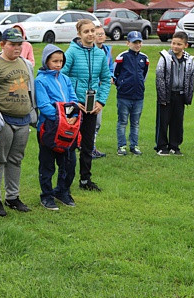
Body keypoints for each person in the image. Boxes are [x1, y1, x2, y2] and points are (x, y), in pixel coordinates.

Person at [0, 28, 36, 215]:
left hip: (22, 120)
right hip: (2, 120)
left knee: (16, 160)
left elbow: (30, 89)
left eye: (19, 44)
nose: (16, 48)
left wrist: (32, 111)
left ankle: (13, 196)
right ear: (3, 44)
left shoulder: (25, 63)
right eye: (12, 44)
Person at [62, 19, 111, 190]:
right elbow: (62, 76)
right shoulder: (71, 52)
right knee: (69, 143)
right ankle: (65, 180)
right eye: (86, 32)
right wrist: (73, 101)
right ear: (79, 34)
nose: (90, 34)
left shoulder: (100, 54)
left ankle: (85, 180)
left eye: (92, 31)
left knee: (88, 143)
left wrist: (101, 101)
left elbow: (106, 79)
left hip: (92, 105)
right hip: (75, 105)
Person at [34, 45, 80, 210]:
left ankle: (62, 191)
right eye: (54, 61)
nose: (58, 64)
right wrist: (63, 118)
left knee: (69, 163)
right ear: (46, 61)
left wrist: (71, 117)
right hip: (48, 129)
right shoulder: (40, 80)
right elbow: (44, 105)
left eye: (61, 61)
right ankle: (46, 195)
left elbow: (73, 100)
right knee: (47, 165)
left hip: (67, 130)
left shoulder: (65, 79)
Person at [155, 31, 194, 156]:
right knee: (163, 121)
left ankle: (174, 146)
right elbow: (159, 77)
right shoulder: (165, 58)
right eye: (173, 43)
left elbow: (191, 78)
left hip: (180, 94)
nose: (175, 46)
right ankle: (161, 146)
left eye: (179, 44)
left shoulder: (189, 60)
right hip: (167, 94)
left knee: (177, 122)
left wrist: (188, 96)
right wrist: (162, 96)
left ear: (185, 45)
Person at [113, 31, 150, 156]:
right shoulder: (122, 57)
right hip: (124, 96)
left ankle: (134, 145)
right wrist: (121, 85)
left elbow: (144, 74)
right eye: (134, 42)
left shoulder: (144, 58)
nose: (137, 45)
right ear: (128, 43)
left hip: (138, 96)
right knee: (122, 121)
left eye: (139, 42)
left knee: (135, 123)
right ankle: (121, 146)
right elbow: (115, 74)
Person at [91, 25, 115, 158]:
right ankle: (85, 146)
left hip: (101, 92)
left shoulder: (107, 51)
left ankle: (91, 146)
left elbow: (110, 68)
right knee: (90, 121)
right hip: (89, 90)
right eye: (97, 33)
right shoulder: (90, 51)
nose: (100, 36)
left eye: (102, 34)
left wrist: (111, 77)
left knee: (97, 122)